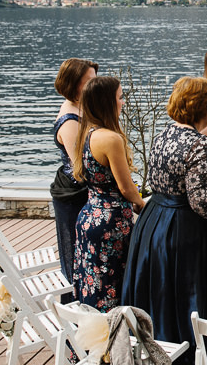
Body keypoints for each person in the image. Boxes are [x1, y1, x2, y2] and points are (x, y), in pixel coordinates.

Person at [122, 77, 207, 365]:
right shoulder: (200, 145)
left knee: (159, 290)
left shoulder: (163, 135)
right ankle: (192, 353)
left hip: (154, 224)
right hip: (186, 232)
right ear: (205, 110)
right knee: (189, 292)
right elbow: (205, 205)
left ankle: (157, 346)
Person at [71, 76, 146, 312]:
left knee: (92, 285)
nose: (123, 102)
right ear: (107, 102)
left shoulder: (86, 133)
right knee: (113, 286)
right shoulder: (111, 139)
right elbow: (125, 187)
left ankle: (92, 342)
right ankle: (114, 343)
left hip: (88, 217)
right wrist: (142, 204)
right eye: (120, 97)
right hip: (111, 225)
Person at [50, 58, 98, 290]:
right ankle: (76, 304)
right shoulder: (69, 121)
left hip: (86, 189)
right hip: (74, 192)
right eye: (88, 81)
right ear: (73, 84)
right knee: (76, 255)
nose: (93, 86)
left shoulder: (83, 107)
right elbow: (81, 165)